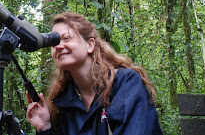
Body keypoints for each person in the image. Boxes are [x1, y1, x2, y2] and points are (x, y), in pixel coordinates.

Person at [26, 11, 163, 135]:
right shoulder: (63, 101)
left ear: (90, 45)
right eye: (54, 43)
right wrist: (44, 127)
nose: (59, 46)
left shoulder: (125, 83)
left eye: (66, 38)